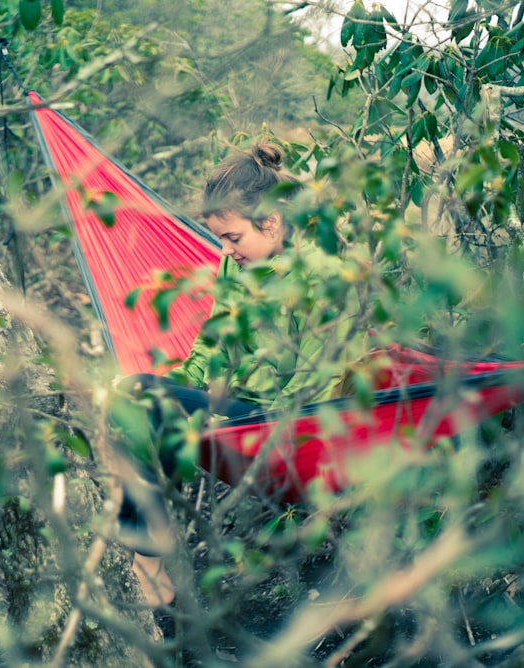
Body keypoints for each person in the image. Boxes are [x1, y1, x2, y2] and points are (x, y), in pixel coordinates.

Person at [113, 141, 367, 606]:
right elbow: (215, 340)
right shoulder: (236, 266)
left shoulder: (322, 275)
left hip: (287, 422)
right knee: (141, 393)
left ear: (270, 223)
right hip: (241, 411)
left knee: (153, 402)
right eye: (220, 240)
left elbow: (319, 376)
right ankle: (149, 558)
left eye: (233, 238)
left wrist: (228, 421)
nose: (226, 250)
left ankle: (147, 562)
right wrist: (183, 386)